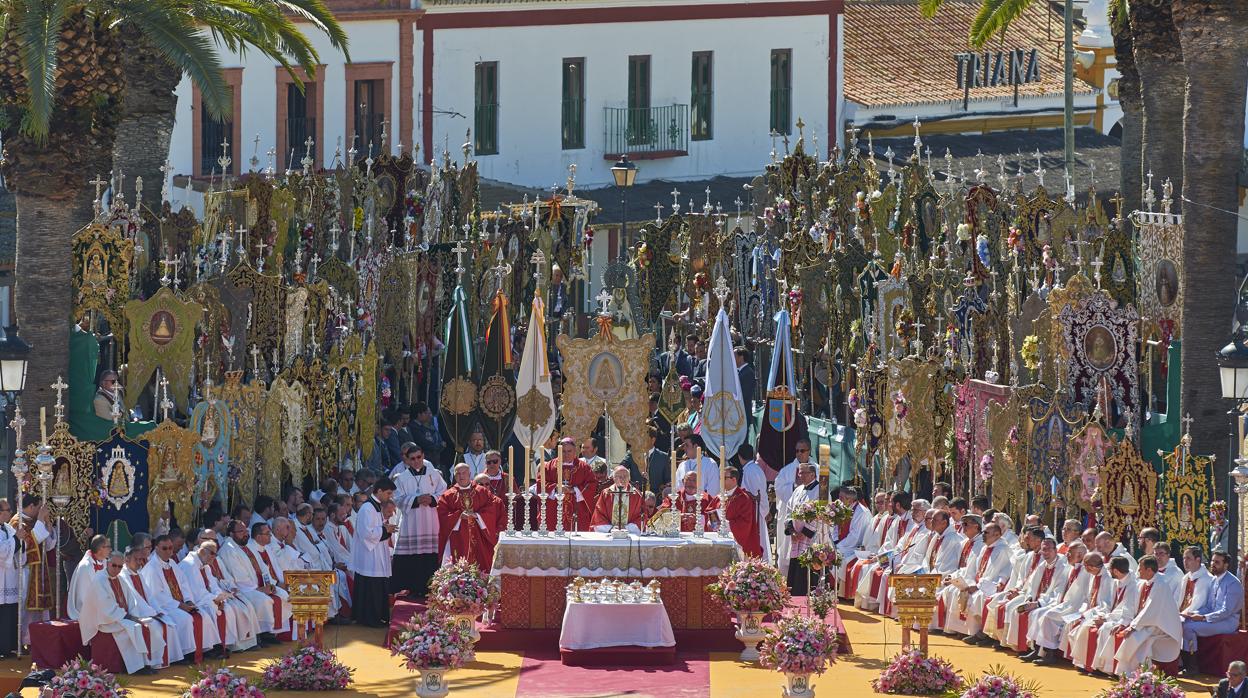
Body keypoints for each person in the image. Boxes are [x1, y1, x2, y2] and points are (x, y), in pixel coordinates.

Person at [141, 534, 222, 661]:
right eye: (164, 548)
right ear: (156, 549)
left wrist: (188, 600)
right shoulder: (152, 568)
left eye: (170, 548)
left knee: (203, 614)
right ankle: (186, 653)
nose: (169, 551)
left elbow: (184, 584)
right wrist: (180, 605)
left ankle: (206, 649)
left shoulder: (172, 563)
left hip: (180, 603)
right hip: (165, 607)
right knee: (185, 619)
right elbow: (157, 595)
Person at [78, 552, 160, 674]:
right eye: (114, 565)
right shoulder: (99, 580)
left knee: (148, 624)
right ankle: (136, 667)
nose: (117, 569)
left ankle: (147, 663)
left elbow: (131, 600)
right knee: (133, 627)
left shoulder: (120, 578)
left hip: (118, 617)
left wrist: (133, 614)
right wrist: (128, 617)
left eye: (120, 567)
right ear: (108, 563)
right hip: (103, 621)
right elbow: (106, 607)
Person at [217, 520, 289, 645]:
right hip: (244, 589)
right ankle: (262, 634)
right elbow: (239, 577)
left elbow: (262, 567)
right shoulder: (229, 550)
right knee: (264, 600)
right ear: (231, 534)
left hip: (259, 586)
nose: (245, 534)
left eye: (246, 531)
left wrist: (270, 584)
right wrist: (260, 589)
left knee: (283, 595)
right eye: (241, 532)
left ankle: (273, 632)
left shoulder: (246, 546)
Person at [1033, 547, 1107, 665]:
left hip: (1079, 606)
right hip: (1070, 604)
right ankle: (1040, 650)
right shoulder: (1071, 568)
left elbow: (1088, 596)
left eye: (1070, 553)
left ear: (1079, 554)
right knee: (1043, 614)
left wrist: (1084, 611)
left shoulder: (1087, 572)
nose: (1066, 555)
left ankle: (1051, 654)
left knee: (1050, 616)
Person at [1111, 555, 1182, 676]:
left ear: (1149, 570)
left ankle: (1135, 674)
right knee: (1133, 635)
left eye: (1140, 569)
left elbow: (1150, 609)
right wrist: (1125, 623)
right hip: (1147, 623)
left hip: (1162, 626)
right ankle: (1126, 673)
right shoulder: (1142, 583)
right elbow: (1131, 605)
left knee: (1135, 637)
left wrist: (1132, 627)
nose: (1138, 572)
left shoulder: (1161, 584)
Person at [392, 443, 446, 598]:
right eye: (412, 459)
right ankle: (411, 587)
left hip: (430, 520)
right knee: (412, 556)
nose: (416, 461)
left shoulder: (434, 474)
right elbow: (397, 499)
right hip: (411, 522)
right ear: (407, 460)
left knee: (430, 555)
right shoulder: (402, 478)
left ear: (423, 456)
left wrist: (432, 498)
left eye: (419, 457)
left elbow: (443, 492)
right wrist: (415, 500)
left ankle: (431, 586)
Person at [1179, 551, 1244, 676]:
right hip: (1215, 619)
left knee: (1189, 627)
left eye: (1217, 562)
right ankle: (1186, 664)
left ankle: (1192, 667)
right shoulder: (1214, 580)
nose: (1213, 564)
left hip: (1228, 622)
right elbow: (1209, 606)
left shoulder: (1233, 583)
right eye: (1213, 561)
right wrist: (1193, 614)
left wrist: (1203, 618)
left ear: (1226, 565)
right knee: (1185, 621)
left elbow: (1226, 611)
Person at [187, 541, 259, 652]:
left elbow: (213, 585)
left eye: (215, 554)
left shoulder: (205, 564)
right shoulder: (190, 565)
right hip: (196, 600)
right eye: (212, 553)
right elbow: (196, 591)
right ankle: (213, 648)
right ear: (201, 551)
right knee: (215, 609)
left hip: (208, 597)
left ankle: (230, 644)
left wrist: (218, 597)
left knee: (232, 606)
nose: (214, 557)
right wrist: (214, 600)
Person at [120, 545, 187, 664]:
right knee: (155, 626)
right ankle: (152, 662)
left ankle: (171, 658)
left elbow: (149, 596)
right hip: (134, 614)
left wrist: (157, 610)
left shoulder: (138, 574)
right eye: (137, 559)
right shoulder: (123, 576)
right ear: (126, 560)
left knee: (169, 622)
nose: (140, 563)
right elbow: (135, 600)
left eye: (141, 559)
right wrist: (151, 613)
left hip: (147, 611)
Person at [1068, 555, 1134, 674]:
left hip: (1124, 618)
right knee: (1087, 625)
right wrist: (1103, 615)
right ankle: (1085, 663)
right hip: (1112, 615)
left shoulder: (1133, 584)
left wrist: (1106, 619)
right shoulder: (1116, 581)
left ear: (1115, 571)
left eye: (1109, 570)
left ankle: (1102, 667)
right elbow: (1110, 604)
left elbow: (1127, 608)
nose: (1107, 572)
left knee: (1102, 628)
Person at [437, 463, 503, 571]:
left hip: (480, 534)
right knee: (458, 564)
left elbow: (491, 508)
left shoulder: (481, 491)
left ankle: (481, 585)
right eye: (458, 473)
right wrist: (458, 516)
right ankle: (459, 586)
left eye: (464, 473)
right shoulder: (448, 495)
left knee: (481, 562)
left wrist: (477, 515)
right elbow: (442, 513)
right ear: (454, 475)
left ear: (470, 474)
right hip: (458, 536)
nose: (461, 476)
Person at [352, 476, 397, 627]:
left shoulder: (375, 506)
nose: (389, 497)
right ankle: (370, 619)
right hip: (369, 557)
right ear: (379, 491)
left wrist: (385, 528)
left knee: (379, 586)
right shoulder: (367, 508)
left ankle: (379, 617)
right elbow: (366, 533)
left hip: (377, 552)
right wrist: (385, 529)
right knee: (372, 587)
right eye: (388, 493)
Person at [17, 494, 56, 644]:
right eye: (39, 507)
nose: (41, 510)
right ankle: (24, 639)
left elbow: (49, 545)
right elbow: (29, 543)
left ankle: (38, 638)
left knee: (40, 609)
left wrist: (46, 523)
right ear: (31, 506)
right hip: (25, 571)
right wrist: (40, 520)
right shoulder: (17, 522)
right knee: (25, 607)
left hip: (39, 569)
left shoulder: (34, 522)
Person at [540, 437, 597, 531]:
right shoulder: (549, 466)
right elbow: (541, 482)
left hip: (577, 509)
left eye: (569, 451)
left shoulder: (583, 467)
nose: (566, 454)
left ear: (575, 451)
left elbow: (592, 484)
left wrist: (574, 490)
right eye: (563, 451)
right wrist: (556, 487)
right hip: (554, 509)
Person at [782, 462, 820, 596]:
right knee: (795, 569)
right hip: (796, 538)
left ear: (812, 474)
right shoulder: (798, 490)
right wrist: (792, 531)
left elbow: (818, 515)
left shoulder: (820, 491)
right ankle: (794, 593)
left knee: (808, 568)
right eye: (799, 473)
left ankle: (808, 593)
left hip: (810, 538)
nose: (800, 475)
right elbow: (789, 511)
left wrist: (804, 533)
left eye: (803, 473)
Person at [775, 439, 815, 563]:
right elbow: (778, 488)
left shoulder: (817, 470)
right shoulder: (786, 470)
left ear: (809, 451)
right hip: (791, 518)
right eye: (797, 451)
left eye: (802, 451)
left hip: (811, 522)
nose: (799, 454)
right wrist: (793, 487)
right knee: (787, 551)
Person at [718, 467, 763, 557]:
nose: (720, 481)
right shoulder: (720, 496)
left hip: (740, 543)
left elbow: (744, 523)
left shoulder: (743, 498)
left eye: (724, 478)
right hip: (720, 539)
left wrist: (726, 524)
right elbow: (710, 511)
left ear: (734, 479)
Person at [590, 466, 645, 534]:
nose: (623, 479)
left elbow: (642, 516)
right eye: (619, 477)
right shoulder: (606, 494)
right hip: (610, 533)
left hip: (630, 533)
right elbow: (599, 514)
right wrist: (612, 528)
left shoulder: (636, 495)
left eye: (625, 476)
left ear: (629, 478)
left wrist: (626, 528)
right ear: (614, 479)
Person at [68, 534, 111, 620]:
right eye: (108, 547)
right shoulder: (85, 567)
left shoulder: (105, 563)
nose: (110, 550)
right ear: (100, 549)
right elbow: (82, 598)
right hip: (87, 612)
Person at [621, 425, 670, 496]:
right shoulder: (633, 453)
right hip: (636, 496)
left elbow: (668, 479)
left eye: (643, 438)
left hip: (656, 498)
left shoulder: (663, 457)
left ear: (653, 440)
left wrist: (665, 486)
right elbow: (621, 468)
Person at [1176, 545, 1213, 616]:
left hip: (1195, 618)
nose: (1185, 561)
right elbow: (1178, 600)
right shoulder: (1185, 578)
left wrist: (1180, 616)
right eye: (1184, 558)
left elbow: (1197, 605)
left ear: (1198, 560)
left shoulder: (1207, 579)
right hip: (1180, 615)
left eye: (1188, 558)